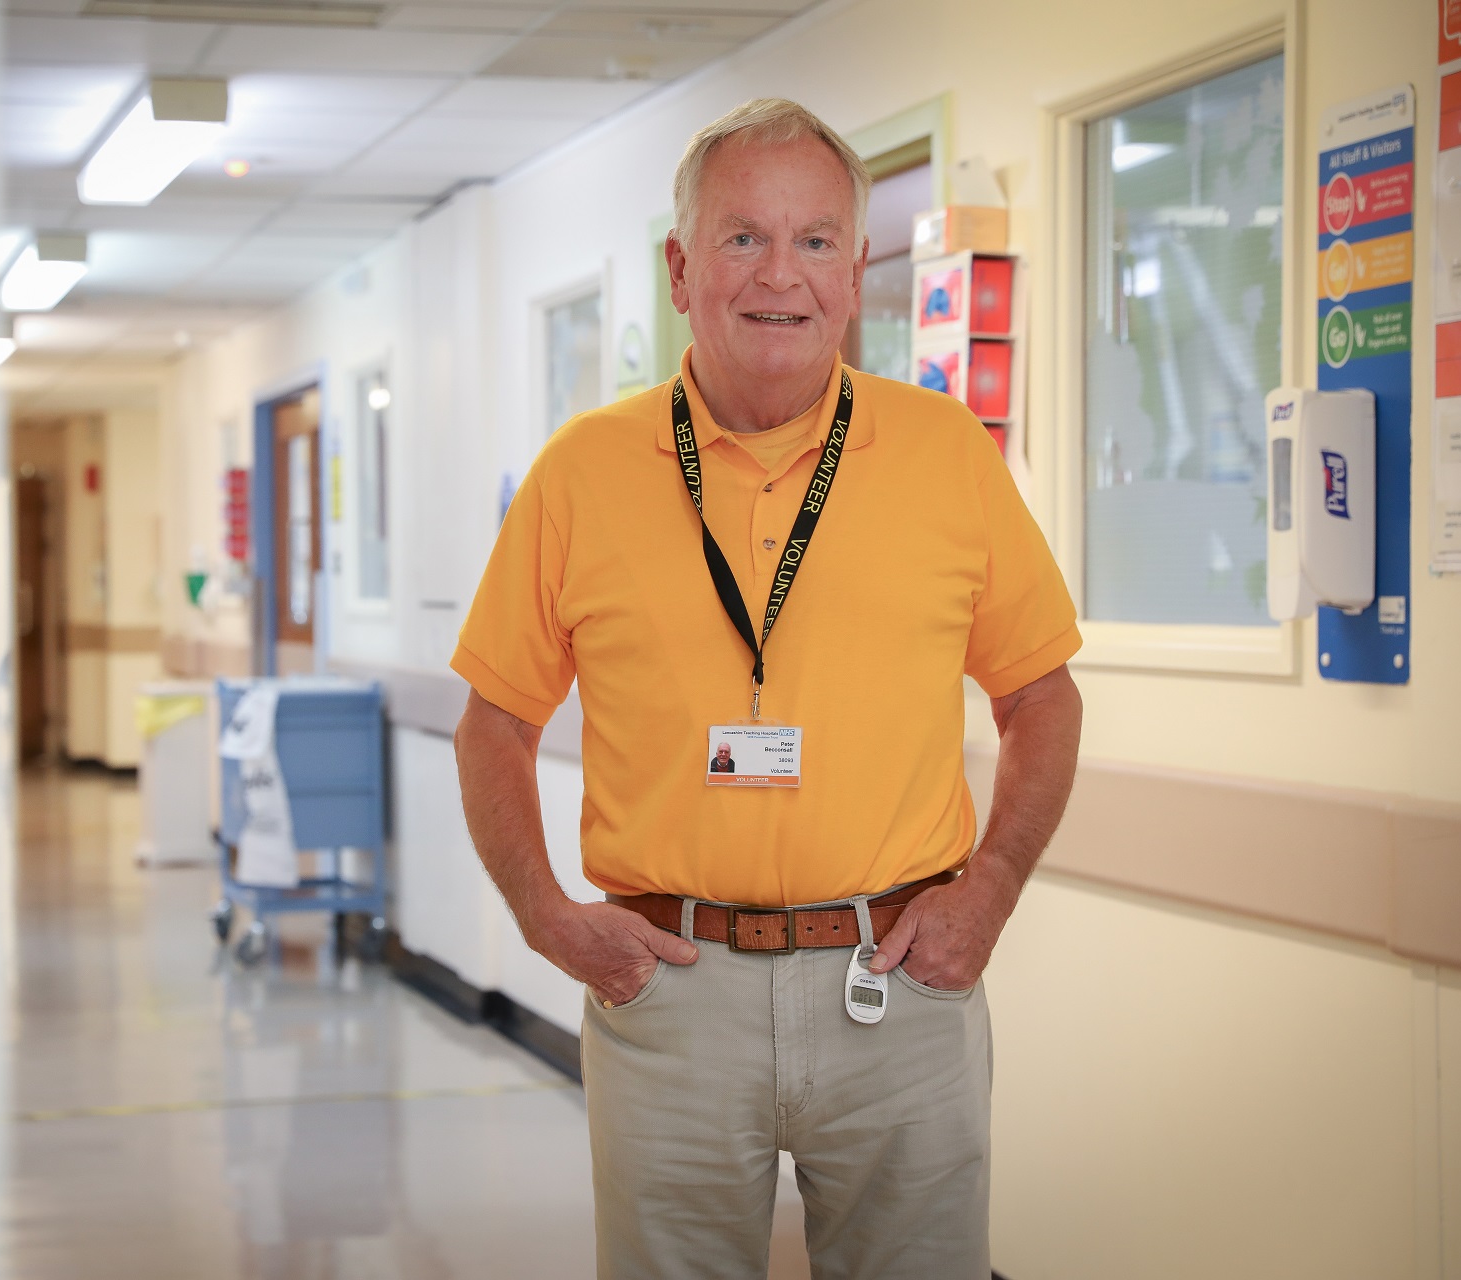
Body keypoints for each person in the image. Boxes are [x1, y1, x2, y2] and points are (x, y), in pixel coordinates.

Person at [452, 97, 1082, 1280]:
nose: (779, 275)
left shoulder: (948, 454)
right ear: (682, 269)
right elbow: (494, 715)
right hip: (671, 996)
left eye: (815, 241)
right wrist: (543, 910)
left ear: (854, 272)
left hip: (898, 979)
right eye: (743, 238)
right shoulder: (583, 472)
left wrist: (989, 886)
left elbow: (1042, 695)